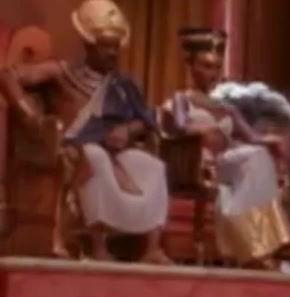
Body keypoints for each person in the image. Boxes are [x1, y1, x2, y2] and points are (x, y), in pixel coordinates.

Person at [0, 0, 170, 263]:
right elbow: (7, 76)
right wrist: (29, 115)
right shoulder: (62, 72)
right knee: (94, 156)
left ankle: (152, 248)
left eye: (115, 47)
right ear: (89, 45)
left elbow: (146, 120)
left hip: (115, 149)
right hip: (75, 146)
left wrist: (127, 129)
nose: (112, 53)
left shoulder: (123, 84)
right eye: (105, 47)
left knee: (153, 167)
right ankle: (99, 246)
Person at [162, 28, 290, 270]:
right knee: (254, 159)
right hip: (199, 162)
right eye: (206, 66)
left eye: (216, 68)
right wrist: (200, 131)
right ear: (192, 67)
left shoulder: (226, 107)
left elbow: (252, 137)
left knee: (259, 156)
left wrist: (279, 139)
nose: (212, 73)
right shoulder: (182, 99)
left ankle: (262, 247)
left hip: (228, 161)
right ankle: (273, 242)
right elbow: (176, 127)